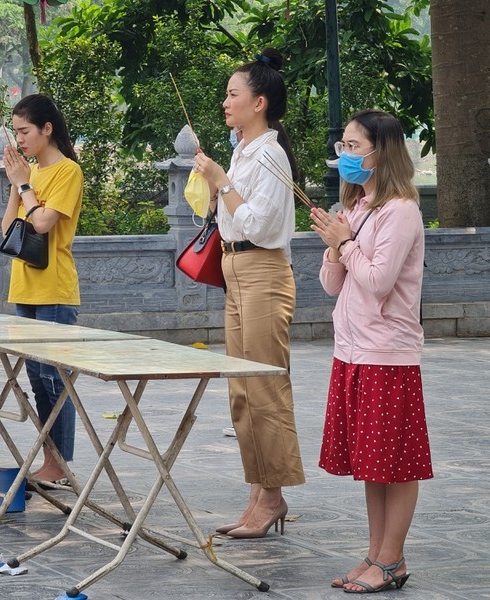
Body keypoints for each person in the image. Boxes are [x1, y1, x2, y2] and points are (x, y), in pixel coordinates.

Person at [309, 109, 433, 593]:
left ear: (382, 153)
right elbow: (331, 285)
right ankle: (376, 552)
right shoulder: (358, 209)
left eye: (353, 147)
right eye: (342, 146)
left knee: (396, 462)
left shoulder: (401, 211)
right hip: (353, 351)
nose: (345, 156)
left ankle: (392, 559)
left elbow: (380, 282)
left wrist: (349, 242)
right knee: (371, 462)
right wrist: (333, 245)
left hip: (389, 352)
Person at [193, 47, 305, 539]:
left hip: (262, 270)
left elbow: (260, 224)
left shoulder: (271, 154)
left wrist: (222, 182)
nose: (225, 102)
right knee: (240, 390)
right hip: (235, 269)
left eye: (232, 94)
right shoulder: (242, 151)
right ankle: (257, 493)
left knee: (264, 387)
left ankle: (274, 495)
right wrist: (214, 186)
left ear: (258, 102)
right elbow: (232, 217)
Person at [1, 94, 84, 484]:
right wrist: (18, 186)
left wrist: (25, 185)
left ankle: (59, 464)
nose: (20, 140)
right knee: (36, 378)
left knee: (55, 378)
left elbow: (44, 223)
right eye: (16, 133)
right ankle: (53, 460)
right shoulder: (27, 174)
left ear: (47, 129)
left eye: (25, 131)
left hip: (54, 288)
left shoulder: (68, 172)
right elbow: (8, 231)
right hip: (25, 286)